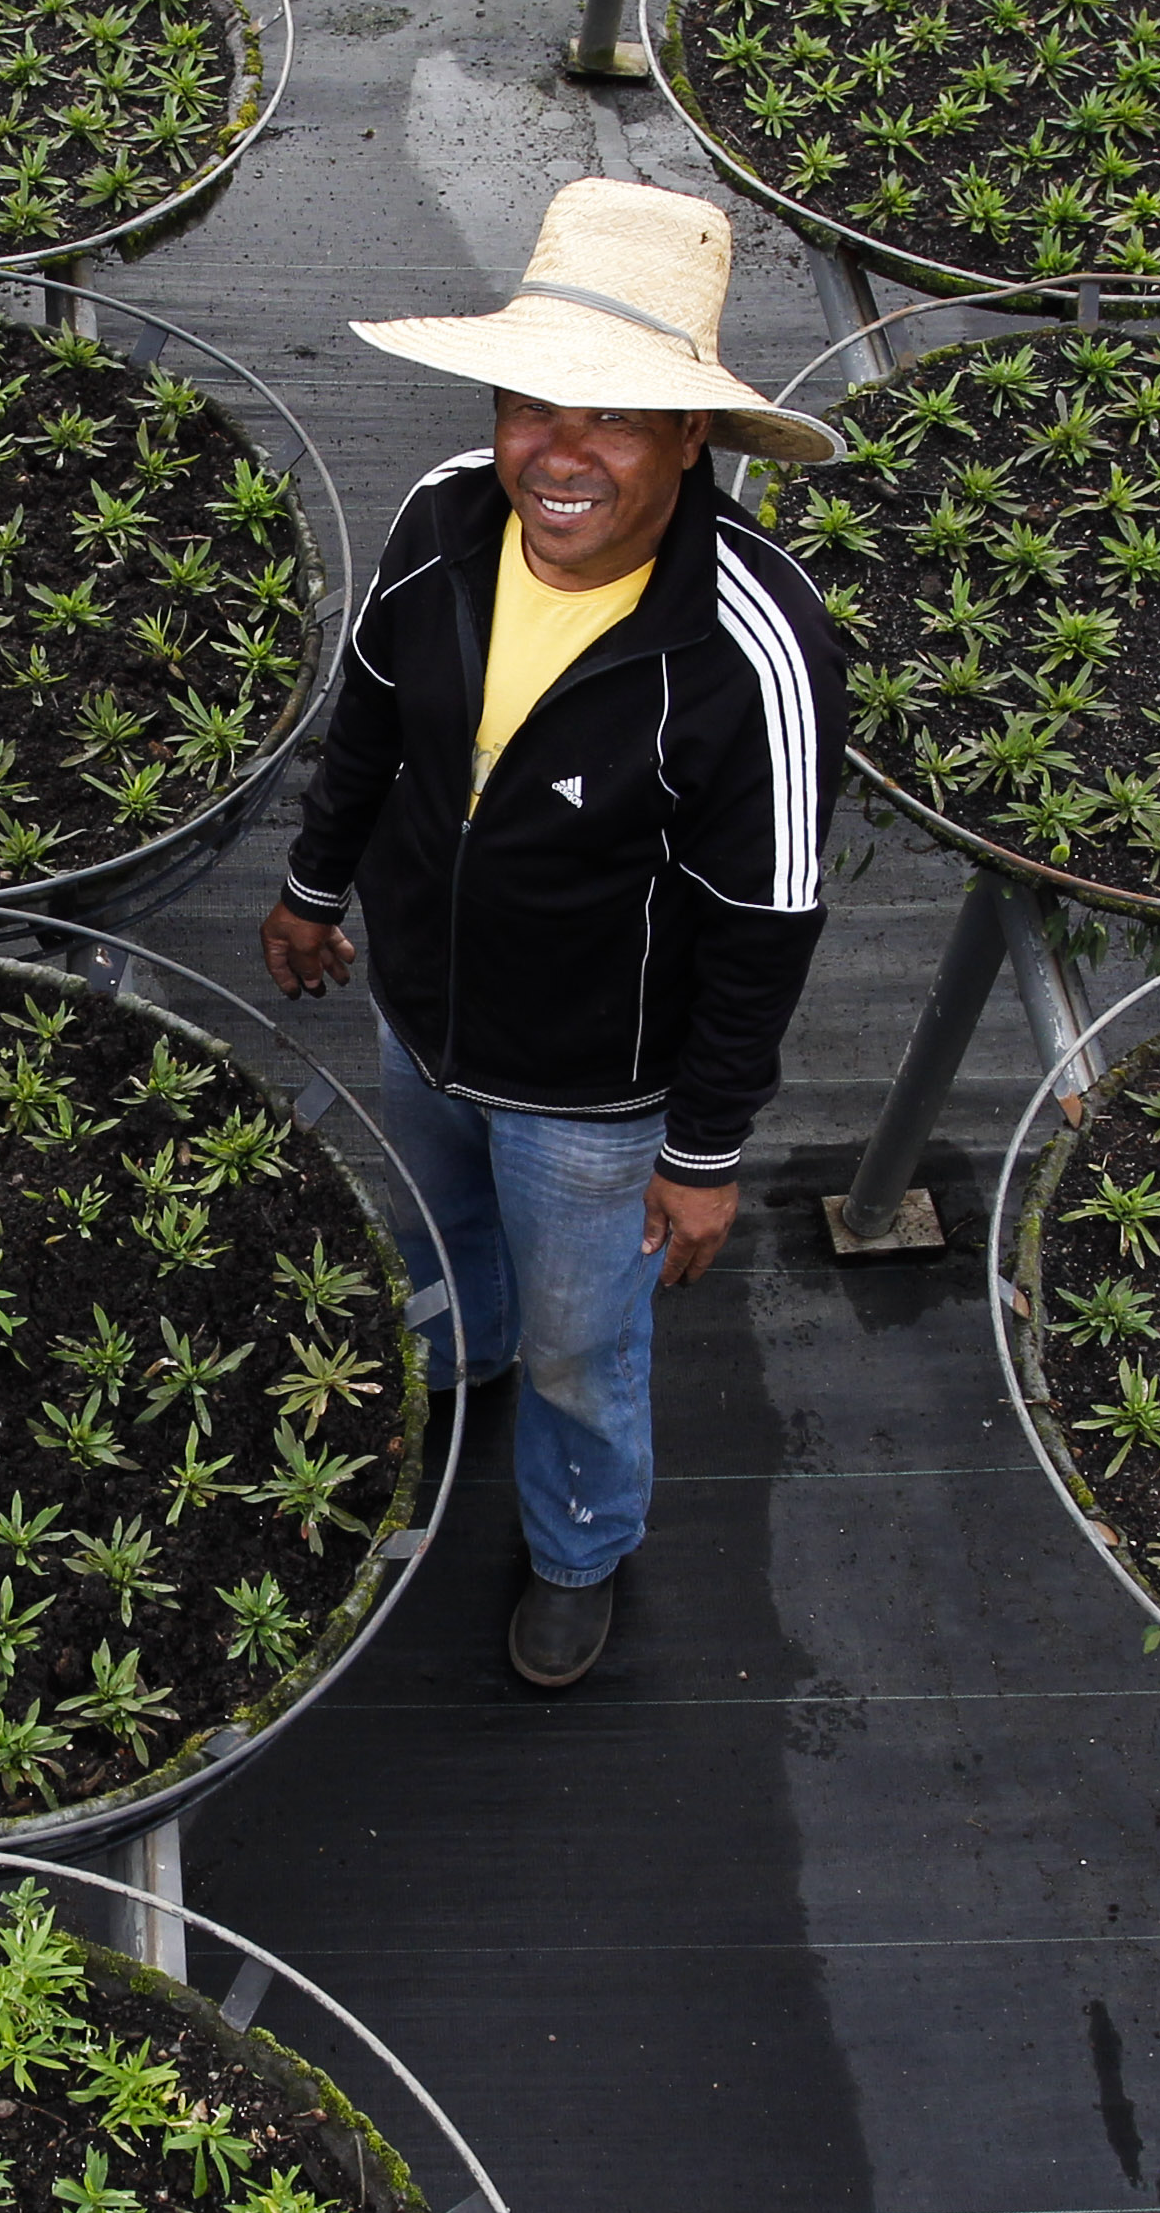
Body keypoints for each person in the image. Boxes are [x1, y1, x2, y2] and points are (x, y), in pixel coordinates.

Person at [263, 179, 848, 1690]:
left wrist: (705, 1154)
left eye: (617, 417)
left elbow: (764, 926)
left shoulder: (751, 653)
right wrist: (319, 891)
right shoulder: (447, 518)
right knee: (436, 1234)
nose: (559, 452)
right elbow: (373, 724)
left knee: (591, 1349)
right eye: (534, 402)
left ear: (692, 437)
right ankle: (454, 1359)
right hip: (425, 1014)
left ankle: (579, 1545)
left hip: (595, 1096)